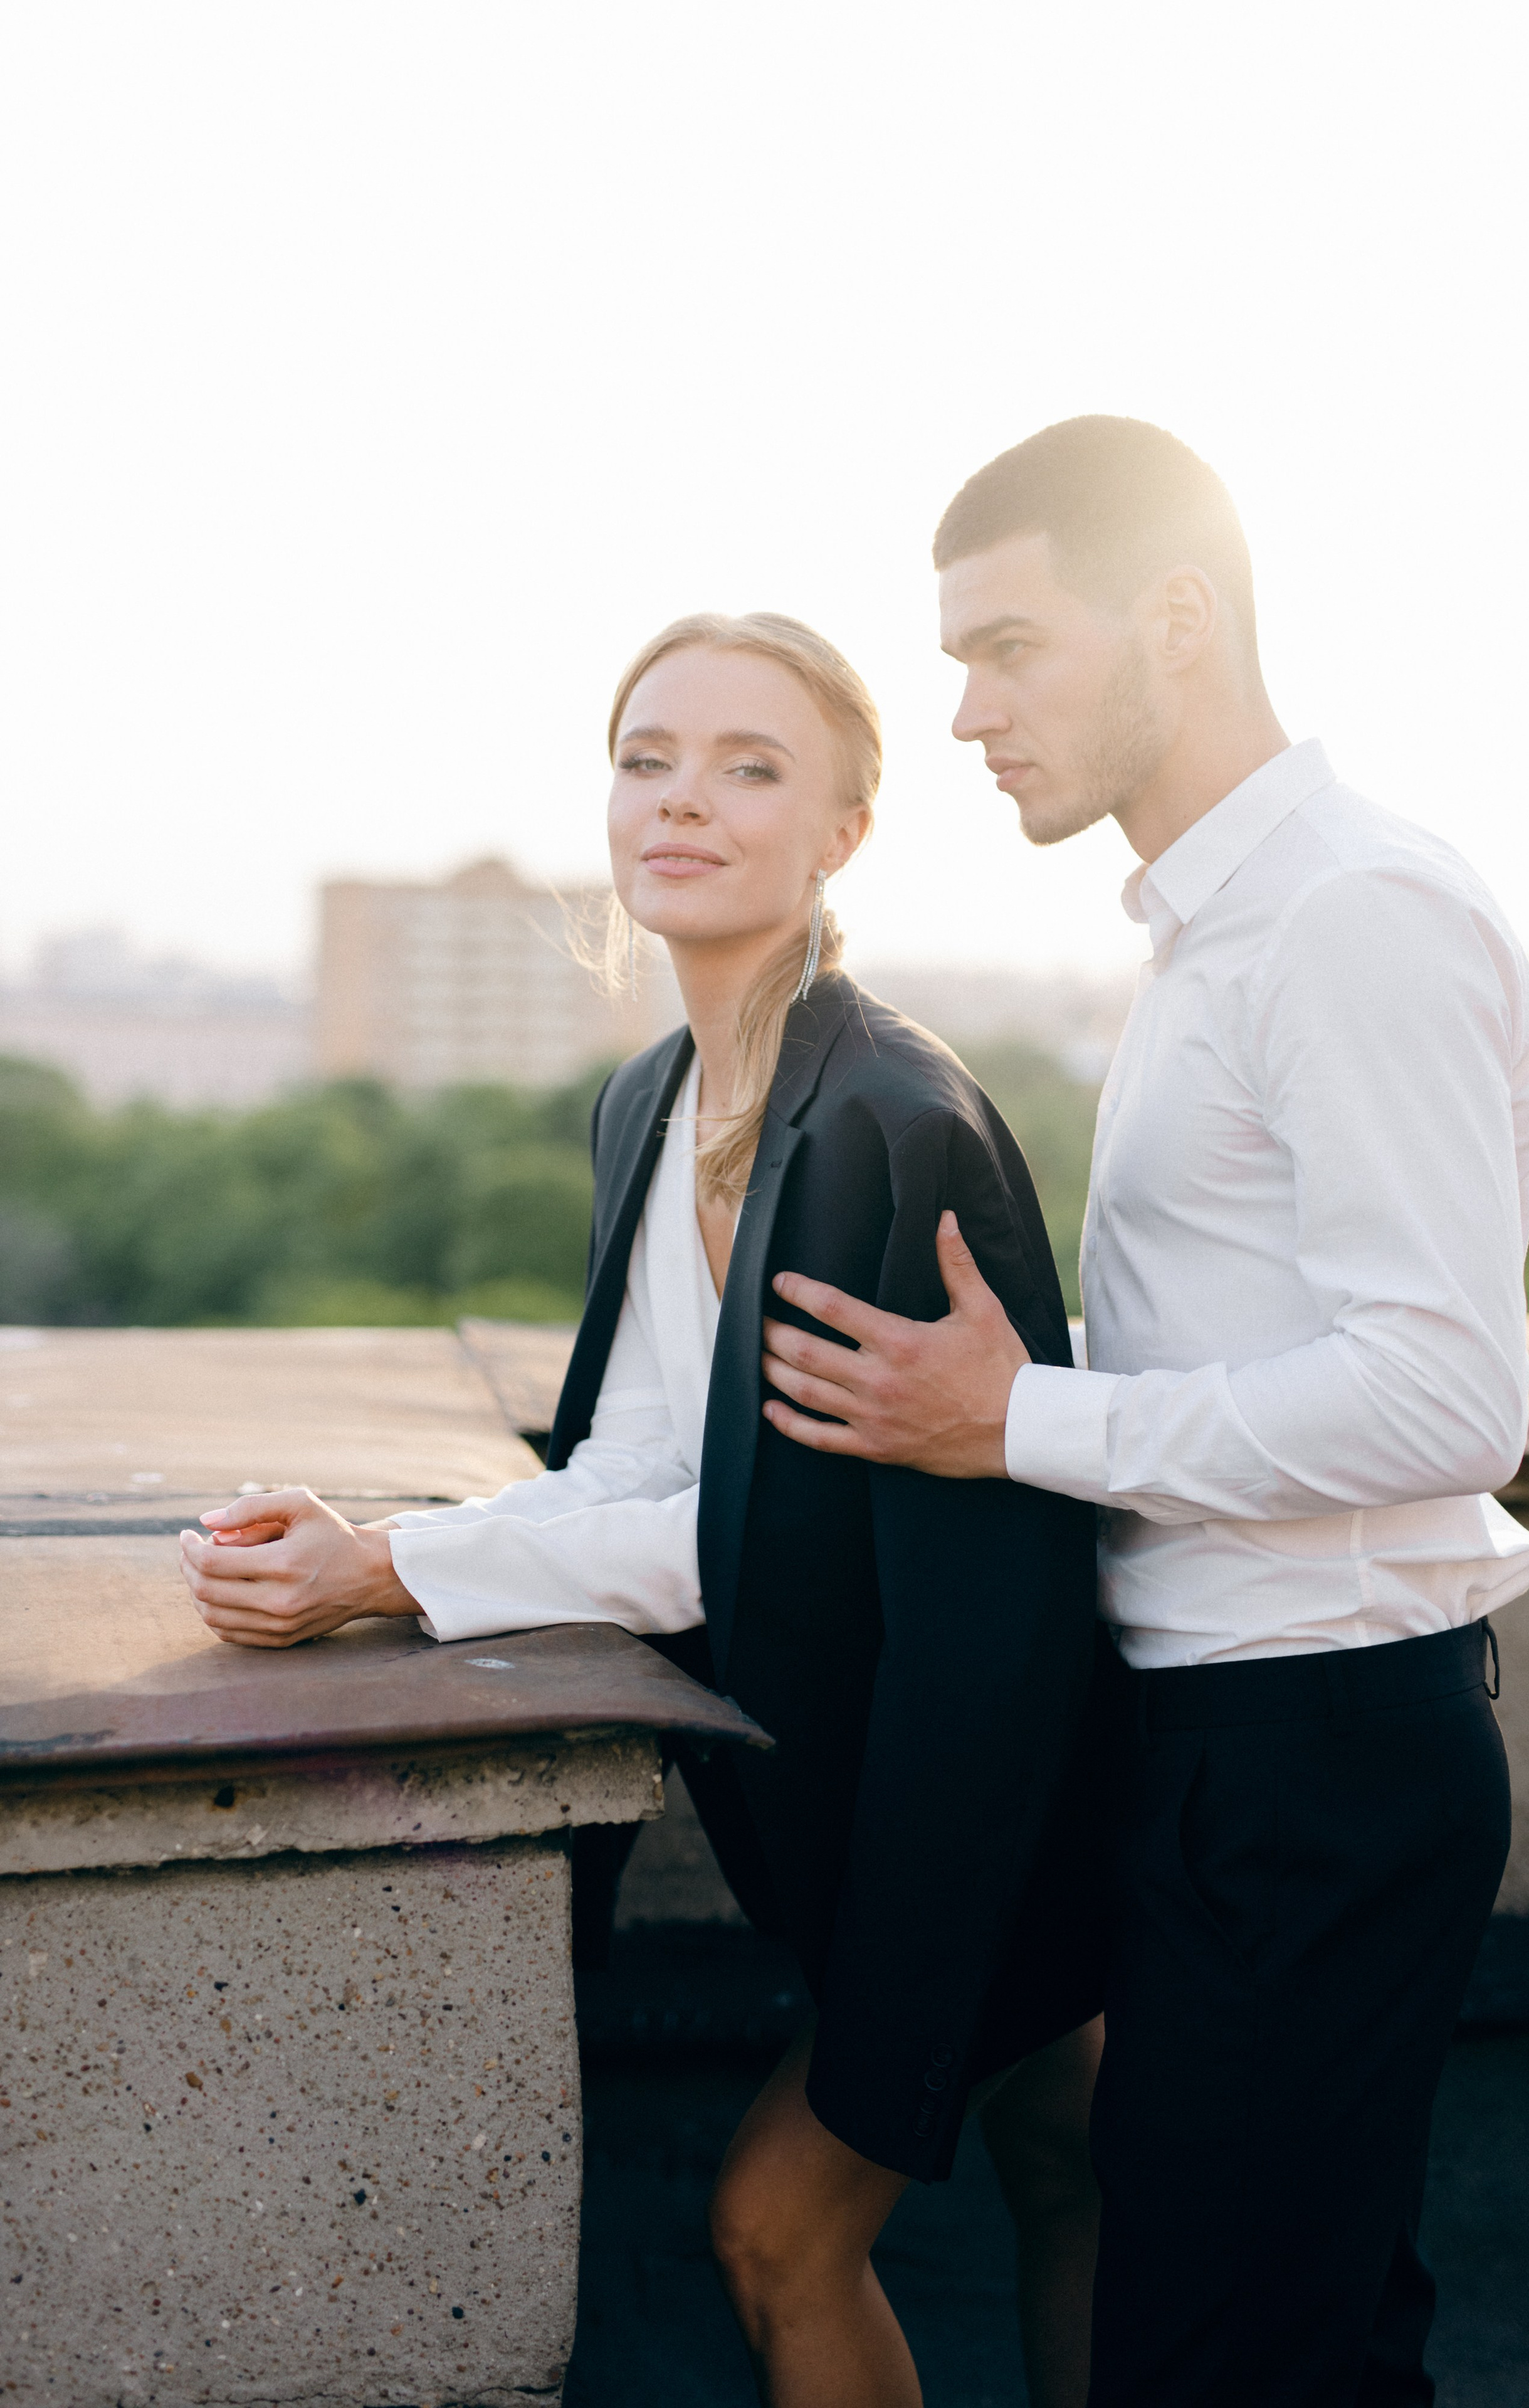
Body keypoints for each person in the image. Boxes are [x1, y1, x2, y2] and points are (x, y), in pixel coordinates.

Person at [178, 610, 1105, 2408]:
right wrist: (385, 1541)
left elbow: (778, 1535)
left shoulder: (885, 1119)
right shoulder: (646, 1101)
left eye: (750, 768)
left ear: (842, 832)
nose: (680, 801)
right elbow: (639, 1464)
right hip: (858, 1788)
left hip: (986, 1791)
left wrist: (388, 1573)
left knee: (781, 2229)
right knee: (1068, 2156)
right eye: (646, 759)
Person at [757, 418, 1529, 2405]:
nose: (968, 712)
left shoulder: (1349, 914)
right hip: (1233, 1752)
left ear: (1178, 618)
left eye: (1011, 648)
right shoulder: (1216, 929)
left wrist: (1020, 1423)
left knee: (1237, 2362)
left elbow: (1446, 1394)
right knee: (1286, 2348)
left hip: (1318, 1760)